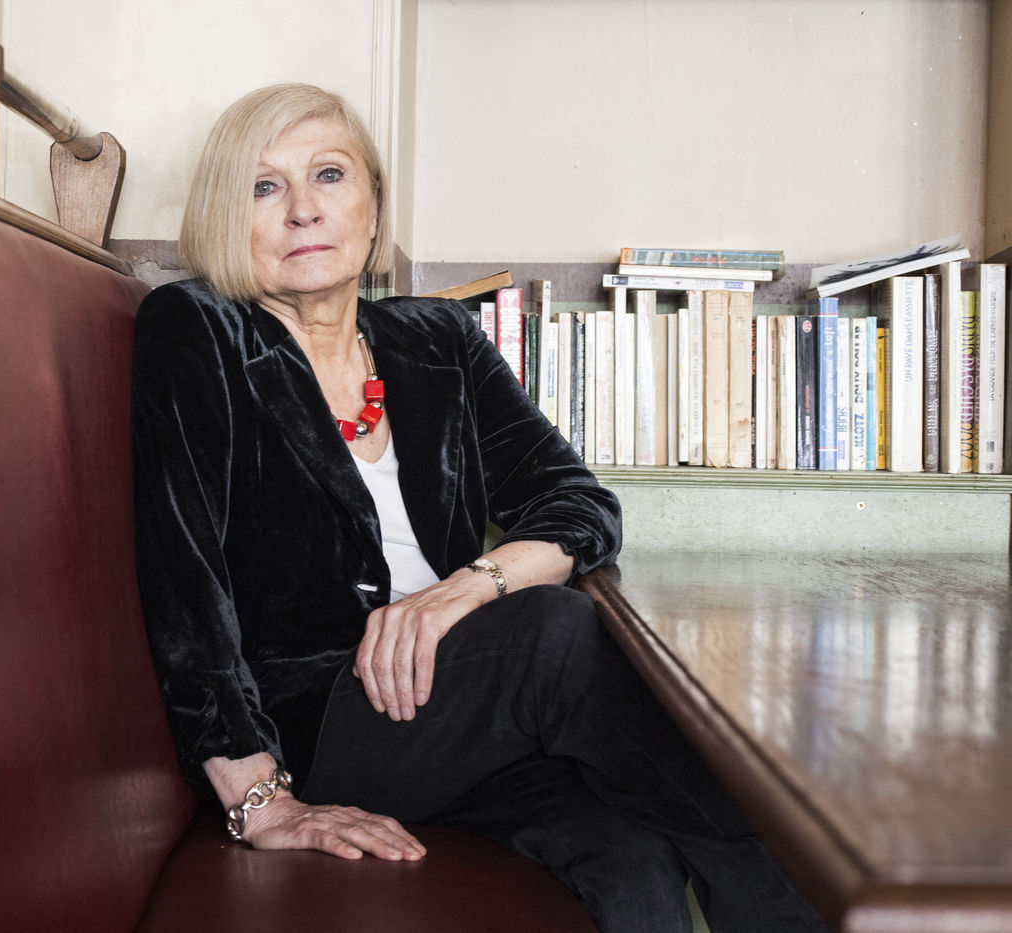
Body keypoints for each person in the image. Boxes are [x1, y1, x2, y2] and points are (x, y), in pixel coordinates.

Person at [131, 82, 824, 932]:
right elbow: (185, 586)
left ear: (374, 204)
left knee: (630, 860)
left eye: (329, 175)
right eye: (264, 186)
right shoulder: (195, 329)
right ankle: (808, 907)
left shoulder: (438, 340)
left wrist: (461, 591)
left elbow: (579, 504)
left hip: (467, 711)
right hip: (319, 722)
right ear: (224, 216)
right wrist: (263, 802)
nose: (303, 208)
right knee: (559, 632)